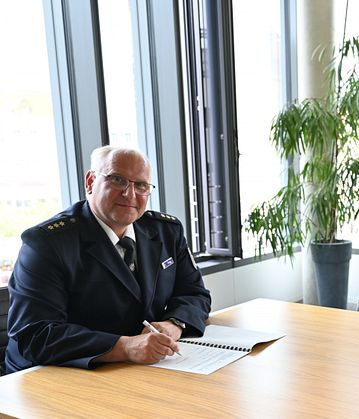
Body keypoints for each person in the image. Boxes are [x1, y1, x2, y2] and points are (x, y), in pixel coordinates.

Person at [5, 146, 211, 373]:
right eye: (117, 180)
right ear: (90, 181)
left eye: (141, 185)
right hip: (51, 376)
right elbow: (35, 334)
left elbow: (195, 293)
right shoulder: (46, 244)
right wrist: (124, 346)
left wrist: (174, 324)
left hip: (136, 369)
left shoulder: (166, 231)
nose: (130, 194)